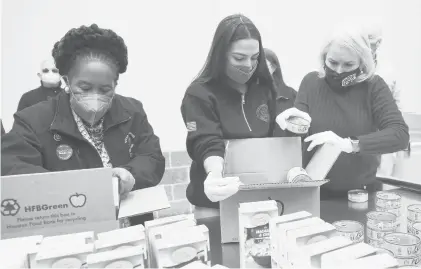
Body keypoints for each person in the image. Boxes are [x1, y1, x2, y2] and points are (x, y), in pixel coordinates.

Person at [1, 24, 166, 225]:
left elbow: (152, 157)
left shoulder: (132, 111)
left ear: (115, 84)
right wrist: (79, 187)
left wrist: (130, 174)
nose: (94, 97)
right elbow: (13, 170)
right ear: (67, 81)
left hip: (131, 229)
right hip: (69, 233)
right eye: (84, 87)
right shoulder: (33, 121)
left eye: (105, 89)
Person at [180, 14, 309, 208]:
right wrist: (215, 173)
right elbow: (205, 140)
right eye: (239, 58)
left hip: (258, 196)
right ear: (220, 54)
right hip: (216, 201)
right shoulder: (199, 94)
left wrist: (288, 123)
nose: (248, 65)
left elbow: (270, 139)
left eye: (255, 58)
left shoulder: (263, 87)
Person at [290, 25, 409, 198]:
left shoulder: (373, 87)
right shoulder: (311, 82)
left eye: (348, 65)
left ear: (362, 62)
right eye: (333, 62)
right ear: (324, 57)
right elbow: (297, 137)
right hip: (314, 192)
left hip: (361, 194)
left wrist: (349, 144)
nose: (338, 71)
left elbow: (400, 134)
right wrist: (290, 123)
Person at [362, 22, 402, 177]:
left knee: (382, 186)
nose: (364, 45)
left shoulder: (388, 71)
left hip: (384, 139)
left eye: (369, 41)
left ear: (378, 43)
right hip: (358, 139)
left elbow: (398, 108)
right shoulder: (351, 65)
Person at [264, 48, 297, 136]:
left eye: (263, 65)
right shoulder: (247, 96)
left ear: (274, 68)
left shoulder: (291, 95)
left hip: (286, 146)